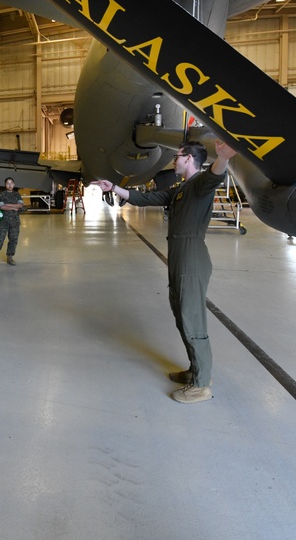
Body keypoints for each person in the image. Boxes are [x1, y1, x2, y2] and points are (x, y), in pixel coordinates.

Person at [94, 139, 236, 404]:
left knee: (192, 318)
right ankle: (197, 370)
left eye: (178, 156)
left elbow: (215, 176)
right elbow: (145, 198)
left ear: (190, 159)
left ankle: (202, 384)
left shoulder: (200, 184)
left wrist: (224, 157)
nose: (174, 160)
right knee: (181, 314)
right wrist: (113, 187)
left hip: (191, 255)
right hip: (179, 255)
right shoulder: (181, 189)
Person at [0, 177, 25, 266]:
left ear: (14, 184)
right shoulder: (2, 195)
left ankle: (10, 257)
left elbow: (20, 205)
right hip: (3, 221)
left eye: (11, 183)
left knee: (13, 239)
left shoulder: (17, 195)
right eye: (7, 183)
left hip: (15, 221)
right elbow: (2, 207)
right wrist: (14, 207)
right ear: (5, 185)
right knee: (0, 239)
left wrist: (8, 205)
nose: (9, 185)